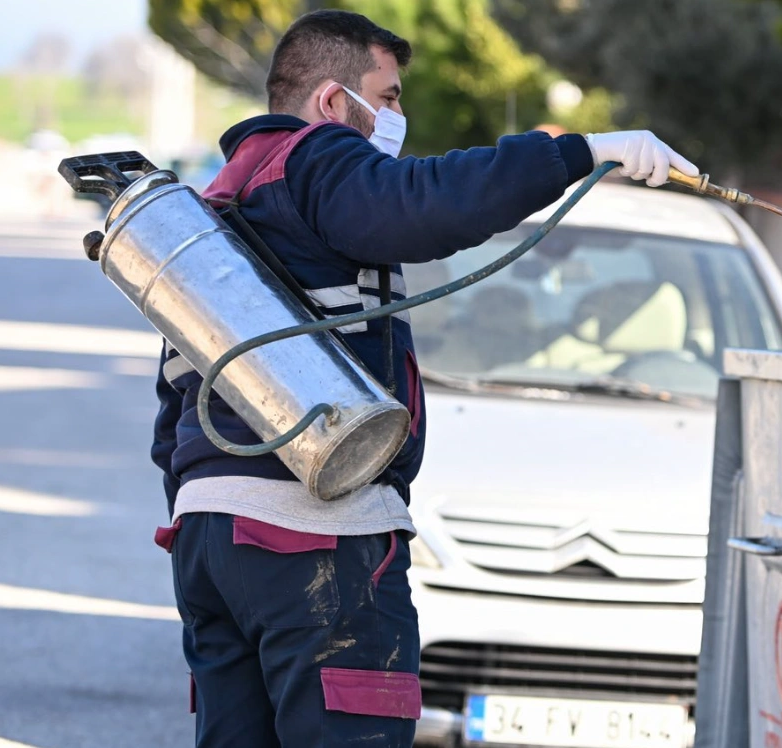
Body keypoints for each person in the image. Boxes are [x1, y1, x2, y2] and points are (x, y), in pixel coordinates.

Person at [147, 9, 697, 747]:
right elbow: (426, 202)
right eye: (392, 95)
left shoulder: (214, 204)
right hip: (316, 538)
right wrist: (580, 151)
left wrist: (202, 514)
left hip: (211, 542)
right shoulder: (317, 161)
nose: (399, 115)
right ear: (334, 103)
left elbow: (174, 399)